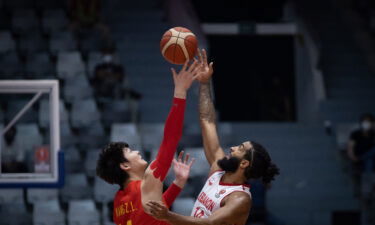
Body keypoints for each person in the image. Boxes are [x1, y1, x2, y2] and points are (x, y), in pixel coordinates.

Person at [146, 49, 280, 225]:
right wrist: (204, 84)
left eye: (239, 149)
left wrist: (168, 216)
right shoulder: (218, 169)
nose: (232, 148)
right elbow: (207, 121)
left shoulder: (240, 198)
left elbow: (209, 224)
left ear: (244, 163)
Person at [96, 60, 200, 225]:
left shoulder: (118, 202)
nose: (137, 152)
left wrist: (177, 184)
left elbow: (153, 213)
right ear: (125, 166)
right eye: (130, 152)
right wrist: (180, 92)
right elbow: (171, 138)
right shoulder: (147, 184)